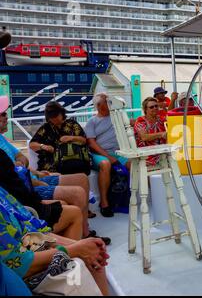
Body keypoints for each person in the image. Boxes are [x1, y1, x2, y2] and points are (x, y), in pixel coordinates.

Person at [0, 100, 96, 239]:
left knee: (82, 178)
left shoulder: (3, 140)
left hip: (36, 176)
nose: (7, 116)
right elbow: (15, 180)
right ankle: (83, 237)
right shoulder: (46, 128)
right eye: (3, 114)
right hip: (30, 187)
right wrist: (44, 148)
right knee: (77, 193)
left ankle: (85, 229)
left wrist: (32, 170)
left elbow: (23, 159)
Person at [0, 187, 109, 295]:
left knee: (94, 253)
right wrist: (73, 249)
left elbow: (30, 230)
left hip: (28, 247)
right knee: (77, 265)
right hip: (15, 276)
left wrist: (79, 246)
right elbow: (18, 263)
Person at [85, 93, 130, 217]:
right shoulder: (92, 122)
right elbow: (92, 144)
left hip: (117, 152)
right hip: (98, 154)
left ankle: (127, 201)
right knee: (105, 164)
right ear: (99, 105)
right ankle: (104, 203)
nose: (109, 104)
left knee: (133, 164)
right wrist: (108, 157)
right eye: (106, 101)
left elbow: (129, 122)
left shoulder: (116, 117)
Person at [30, 101, 89, 174]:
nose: (55, 120)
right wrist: (43, 146)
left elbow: (84, 140)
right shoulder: (46, 128)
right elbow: (32, 144)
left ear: (62, 113)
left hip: (72, 158)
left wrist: (71, 138)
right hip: (51, 162)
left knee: (75, 168)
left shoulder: (72, 124)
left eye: (56, 117)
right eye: (52, 118)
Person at [134, 97, 167, 167]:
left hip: (161, 151)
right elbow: (144, 137)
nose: (155, 108)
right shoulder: (141, 121)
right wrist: (161, 134)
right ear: (145, 110)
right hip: (146, 154)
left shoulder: (161, 119)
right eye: (151, 107)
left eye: (156, 106)